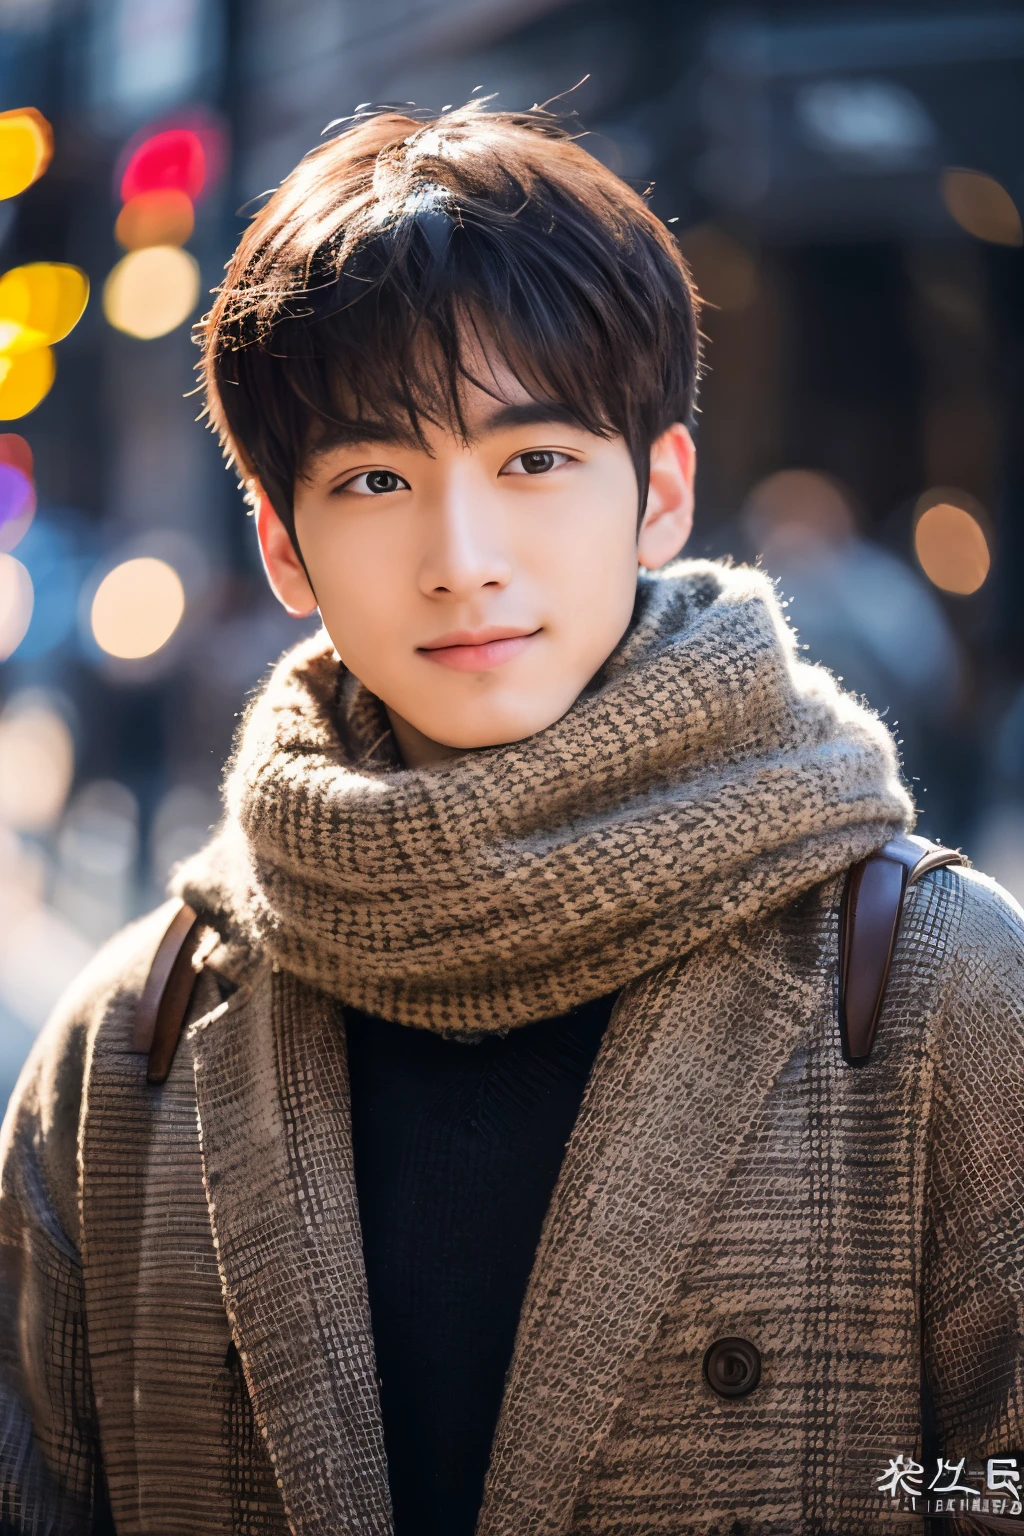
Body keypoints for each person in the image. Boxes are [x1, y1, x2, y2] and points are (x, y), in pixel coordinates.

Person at [2, 101, 1023, 1536]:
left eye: (533, 460)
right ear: (283, 547)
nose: (462, 560)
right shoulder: (132, 1047)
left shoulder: (934, 994)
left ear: (659, 492)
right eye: (375, 480)